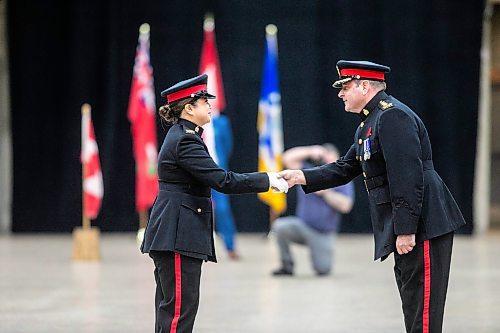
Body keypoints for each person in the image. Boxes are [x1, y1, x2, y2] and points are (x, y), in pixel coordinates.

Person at [278, 60, 466, 333]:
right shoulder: (370, 122)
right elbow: (345, 167)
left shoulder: (392, 117)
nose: (340, 94)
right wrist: (301, 177)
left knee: (423, 310)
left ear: (364, 86)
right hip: (411, 221)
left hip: (423, 222)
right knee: (412, 303)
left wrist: (406, 231)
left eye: (345, 87)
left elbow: (407, 178)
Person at [141, 74, 288, 333]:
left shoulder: (185, 135)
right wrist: (269, 180)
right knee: (178, 315)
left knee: (172, 311)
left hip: (176, 232)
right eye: (203, 101)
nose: (210, 105)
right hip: (177, 234)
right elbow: (223, 181)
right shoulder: (185, 140)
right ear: (188, 108)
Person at [271, 143, 354, 276]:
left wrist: (326, 193)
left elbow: (346, 206)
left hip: (323, 233)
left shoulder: (343, 178)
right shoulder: (309, 173)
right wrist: (310, 150)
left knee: (323, 269)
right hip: (302, 225)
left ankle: (318, 254)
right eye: (325, 159)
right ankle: (287, 266)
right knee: (280, 226)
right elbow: (287, 158)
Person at [211, 113, 240, 259]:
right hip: (196, 173)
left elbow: (228, 146)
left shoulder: (221, 123)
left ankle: (230, 246)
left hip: (218, 173)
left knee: (223, 209)